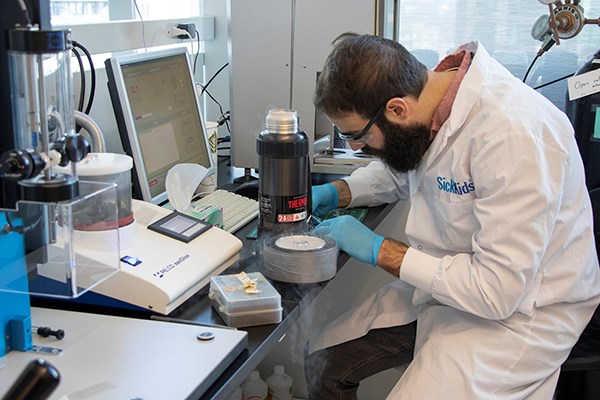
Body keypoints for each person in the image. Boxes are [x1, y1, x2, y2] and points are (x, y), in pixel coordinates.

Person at [304, 33, 600, 399]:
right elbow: (407, 163)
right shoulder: (432, 99)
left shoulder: (512, 134)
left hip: (521, 313)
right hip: (448, 284)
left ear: (397, 109)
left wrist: (381, 250)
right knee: (323, 361)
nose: (355, 147)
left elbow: (497, 291)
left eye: (357, 136)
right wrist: (339, 192)